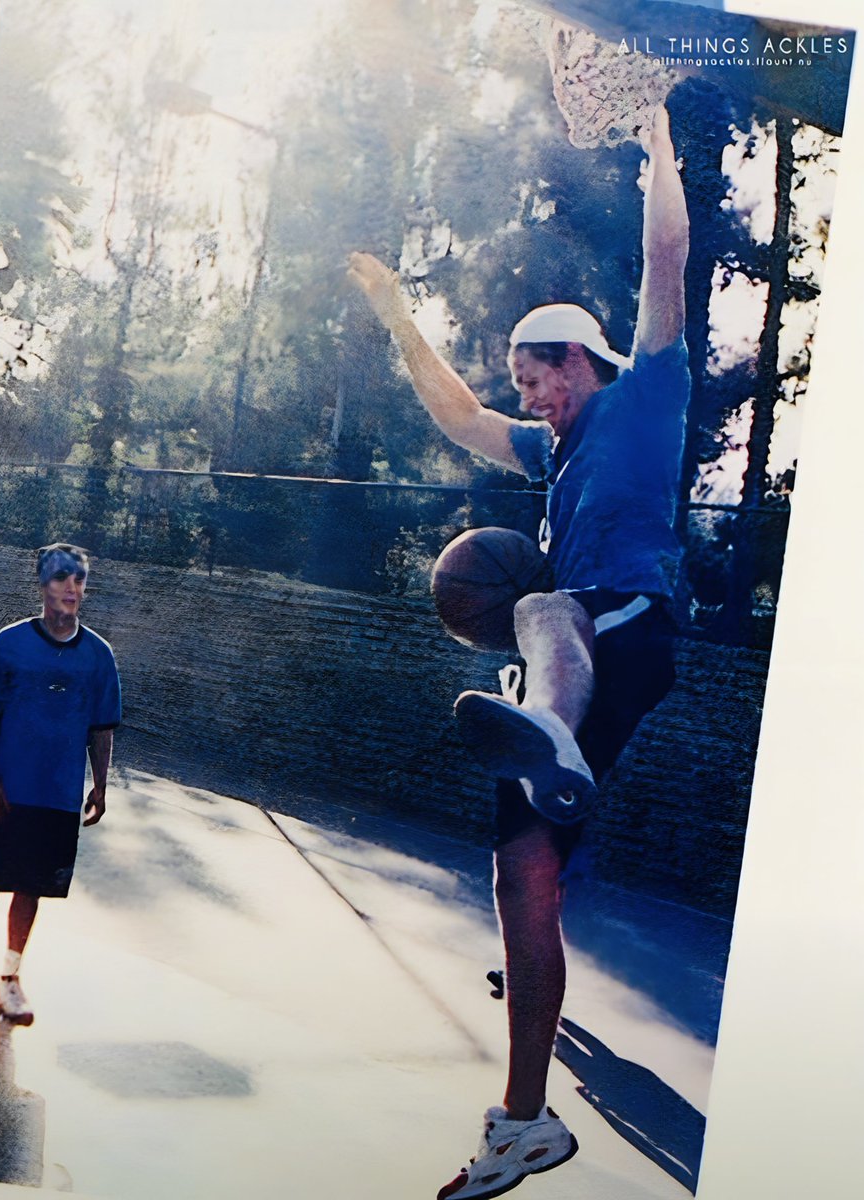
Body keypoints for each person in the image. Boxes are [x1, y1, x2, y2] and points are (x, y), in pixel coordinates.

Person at [348, 103, 690, 1200]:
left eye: (532, 375)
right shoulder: (553, 452)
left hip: (626, 626)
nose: (522, 395)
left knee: (539, 610)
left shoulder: (642, 399)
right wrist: (399, 315)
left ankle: (547, 729)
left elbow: (667, 256)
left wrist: (655, 141)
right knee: (520, 885)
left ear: (575, 363)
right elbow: (454, 417)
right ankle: (523, 1124)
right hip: (580, 658)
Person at [0, 543, 121, 1029]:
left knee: (31, 890)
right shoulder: (10, 643)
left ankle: (9, 980)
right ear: (43, 584)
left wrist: (100, 785)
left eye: (79, 579)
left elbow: (102, 727)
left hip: (57, 798)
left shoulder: (98, 656)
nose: (72, 587)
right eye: (62, 577)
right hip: (5, 793)